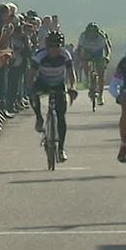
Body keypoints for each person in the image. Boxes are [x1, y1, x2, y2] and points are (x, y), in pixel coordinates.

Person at [28, 31, 77, 162]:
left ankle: (61, 149)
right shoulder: (40, 55)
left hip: (58, 84)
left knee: (61, 117)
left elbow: (71, 73)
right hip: (42, 82)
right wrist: (31, 88)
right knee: (32, 94)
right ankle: (39, 117)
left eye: (57, 46)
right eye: (51, 46)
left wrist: (72, 88)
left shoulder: (65, 55)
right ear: (47, 46)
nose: (54, 50)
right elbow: (31, 74)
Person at [77, 22, 111, 105]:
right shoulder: (83, 36)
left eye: (93, 33)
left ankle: (100, 95)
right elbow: (79, 49)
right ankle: (88, 79)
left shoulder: (101, 36)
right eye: (90, 33)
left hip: (98, 52)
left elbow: (107, 49)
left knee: (101, 73)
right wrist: (81, 59)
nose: (92, 35)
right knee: (85, 61)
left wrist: (107, 57)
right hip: (87, 51)